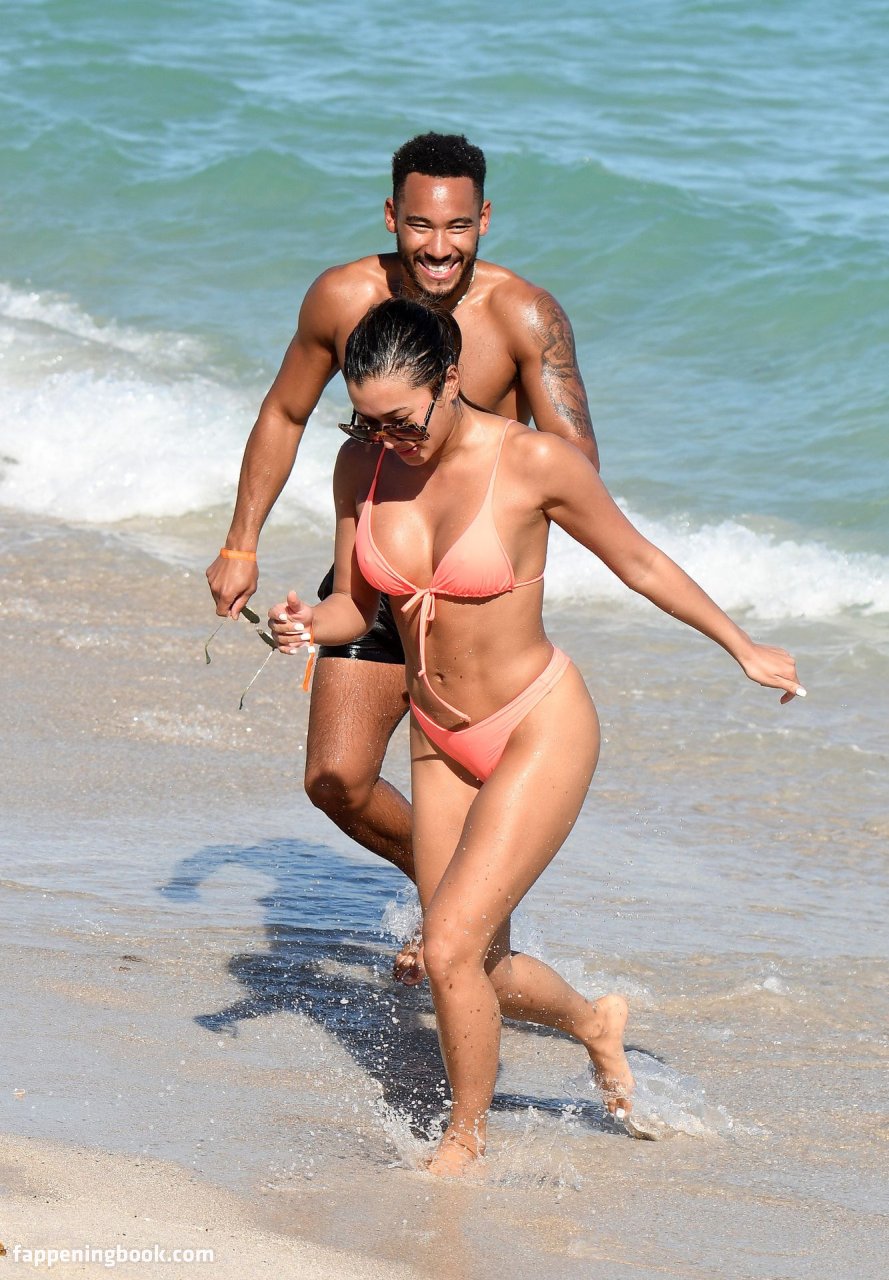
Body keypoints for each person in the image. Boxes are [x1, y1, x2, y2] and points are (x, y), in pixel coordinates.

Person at [266, 298, 804, 1177]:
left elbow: (638, 560)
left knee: (445, 946)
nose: (386, 438)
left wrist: (740, 645)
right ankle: (594, 1022)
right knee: (476, 961)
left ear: (449, 382)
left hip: (534, 726)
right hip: (438, 736)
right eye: (365, 420)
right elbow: (354, 609)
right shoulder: (360, 464)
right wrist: (304, 625)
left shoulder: (532, 462)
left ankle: (462, 1142)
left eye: (401, 420)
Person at [206, 133, 599, 984]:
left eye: (457, 227)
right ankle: (455, 895)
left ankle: (457, 923)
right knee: (335, 779)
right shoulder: (342, 297)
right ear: (392, 216)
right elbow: (284, 414)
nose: (438, 247)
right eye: (420, 225)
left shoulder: (523, 315)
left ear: (484, 219)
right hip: (374, 568)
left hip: (461, 589)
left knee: (452, 781)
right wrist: (241, 541)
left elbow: (575, 465)